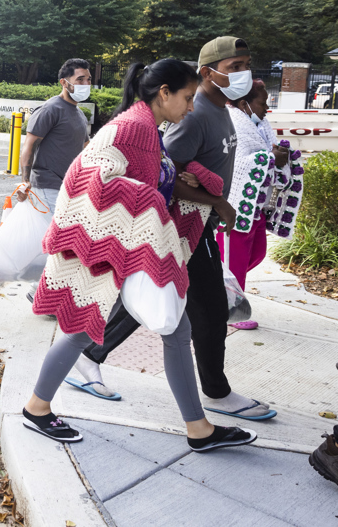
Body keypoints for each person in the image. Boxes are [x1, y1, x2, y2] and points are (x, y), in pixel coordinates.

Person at [25, 59, 258, 453]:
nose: (190, 107)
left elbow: (148, 177)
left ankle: (198, 429)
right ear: (164, 93)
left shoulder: (146, 126)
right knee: (84, 328)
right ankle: (36, 408)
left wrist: (188, 179)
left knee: (171, 331)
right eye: (186, 98)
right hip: (113, 247)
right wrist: (148, 197)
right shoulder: (134, 128)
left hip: (127, 246)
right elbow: (90, 176)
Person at [79, 37, 275, 422]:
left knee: (155, 301)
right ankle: (215, 393)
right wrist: (217, 202)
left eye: (246, 64)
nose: (244, 73)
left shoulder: (222, 110)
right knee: (210, 308)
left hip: (201, 222)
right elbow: (163, 175)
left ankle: (87, 355)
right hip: (184, 225)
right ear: (207, 73)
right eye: (235, 67)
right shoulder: (195, 112)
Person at [216, 79, 302, 330]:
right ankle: (229, 311)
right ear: (244, 104)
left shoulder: (259, 125)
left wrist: (278, 157)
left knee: (256, 254)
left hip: (255, 208)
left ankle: (220, 295)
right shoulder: (234, 123)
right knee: (234, 261)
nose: (266, 109)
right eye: (262, 103)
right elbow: (241, 164)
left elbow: (263, 159)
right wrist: (269, 157)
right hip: (236, 208)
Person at [16, 58, 92, 213]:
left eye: (88, 79)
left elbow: (85, 147)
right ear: (64, 83)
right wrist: (25, 181)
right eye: (80, 80)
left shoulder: (79, 114)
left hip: (70, 188)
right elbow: (30, 144)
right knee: (53, 234)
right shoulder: (50, 109)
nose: (86, 84)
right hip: (47, 187)